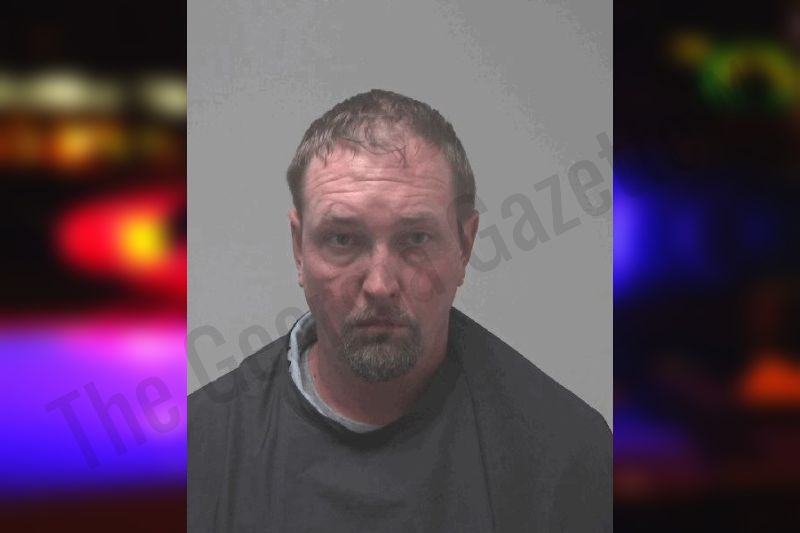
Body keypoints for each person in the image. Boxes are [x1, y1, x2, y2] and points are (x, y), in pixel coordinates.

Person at [188, 89, 611, 532]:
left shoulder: (564, 458)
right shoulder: (197, 454)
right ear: (299, 248)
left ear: (464, 246)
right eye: (343, 239)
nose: (380, 285)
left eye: (415, 239)